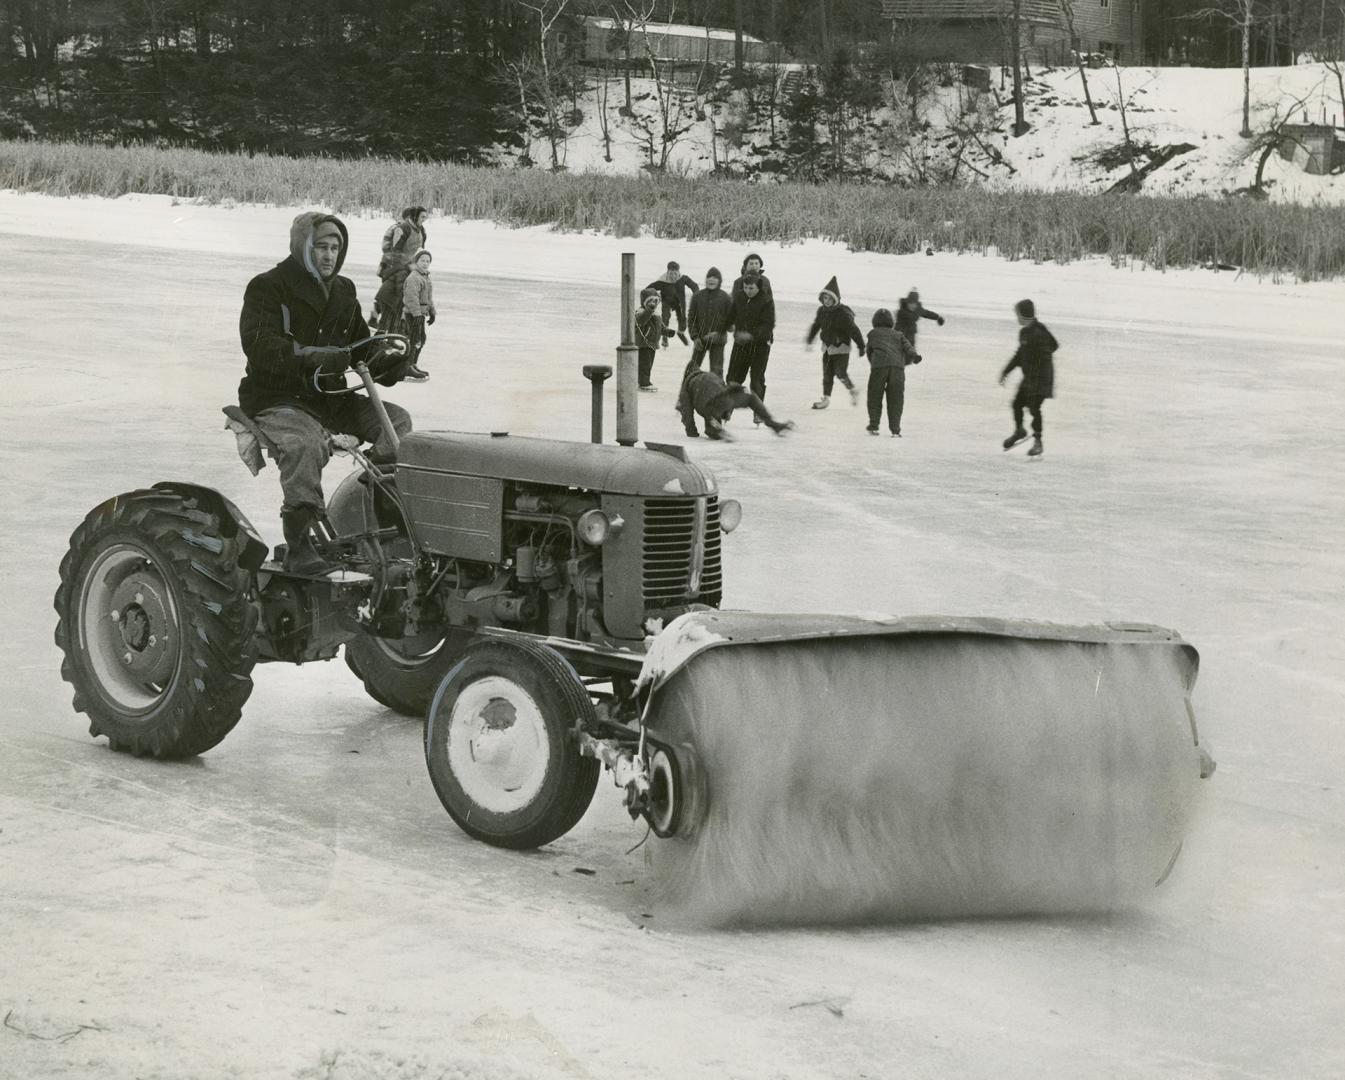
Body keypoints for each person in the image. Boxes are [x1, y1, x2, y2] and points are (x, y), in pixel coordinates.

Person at [239, 211, 413, 573]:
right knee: (305, 444)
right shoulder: (268, 287)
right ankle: (301, 545)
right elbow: (261, 348)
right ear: (303, 246)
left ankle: (376, 513)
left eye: (335, 248)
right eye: (321, 247)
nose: (329, 256)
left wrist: (389, 360)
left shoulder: (343, 291)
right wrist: (315, 356)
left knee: (396, 424)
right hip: (278, 399)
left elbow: (360, 345)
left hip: (331, 400)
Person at [999, 298, 1059, 457]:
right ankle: (1019, 430)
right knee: (1017, 404)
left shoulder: (1039, 333)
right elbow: (1019, 355)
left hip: (1041, 380)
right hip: (1030, 379)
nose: (1016, 317)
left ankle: (1038, 443)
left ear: (1024, 315)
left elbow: (1053, 346)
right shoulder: (1024, 333)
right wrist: (1006, 371)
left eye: (1017, 314)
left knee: (1034, 408)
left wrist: (1038, 364)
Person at [676, 360, 793, 441]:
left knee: (711, 421)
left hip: (710, 406)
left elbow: (686, 411)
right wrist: (727, 411)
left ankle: (715, 430)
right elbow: (724, 387)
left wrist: (691, 431)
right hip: (726, 397)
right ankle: (774, 424)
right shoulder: (710, 375)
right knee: (751, 398)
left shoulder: (687, 385)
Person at [804, 276, 865, 410]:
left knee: (840, 372)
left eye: (829, 298)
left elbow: (854, 330)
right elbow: (816, 325)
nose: (826, 301)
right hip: (827, 347)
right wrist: (810, 339)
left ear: (835, 299)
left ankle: (852, 390)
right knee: (827, 374)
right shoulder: (822, 311)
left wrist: (861, 346)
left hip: (841, 349)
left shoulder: (843, 313)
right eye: (825, 298)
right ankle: (826, 398)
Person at [727, 272, 775, 426]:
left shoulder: (766, 300)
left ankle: (758, 412)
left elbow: (768, 325)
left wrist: (750, 335)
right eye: (746, 287)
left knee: (756, 379)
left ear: (758, 287)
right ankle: (727, 408)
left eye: (751, 288)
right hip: (741, 344)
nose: (748, 290)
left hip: (760, 345)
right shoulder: (739, 297)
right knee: (733, 378)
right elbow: (731, 315)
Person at [864, 308, 921, 437]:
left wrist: (873, 363)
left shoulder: (873, 334)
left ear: (875, 321)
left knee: (874, 396)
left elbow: (869, 351)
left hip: (879, 368)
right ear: (891, 322)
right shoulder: (898, 334)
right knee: (896, 399)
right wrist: (914, 355)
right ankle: (895, 430)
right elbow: (908, 347)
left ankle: (874, 426)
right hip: (897, 369)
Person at [372, 206, 429, 330]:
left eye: (426, 217)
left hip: (407, 270)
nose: (425, 220)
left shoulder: (421, 230)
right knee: (391, 300)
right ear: (412, 217)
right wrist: (406, 265)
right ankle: (381, 329)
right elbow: (393, 252)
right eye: (422, 217)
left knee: (398, 303)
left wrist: (420, 265)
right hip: (394, 269)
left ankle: (391, 332)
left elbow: (420, 250)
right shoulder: (400, 229)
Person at [686, 267, 734, 378]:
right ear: (706, 280)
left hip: (718, 341)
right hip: (700, 340)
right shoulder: (697, 296)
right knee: (692, 370)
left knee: (717, 372)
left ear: (720, 281)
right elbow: (691, 318)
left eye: (715, 278)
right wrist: (695, 337)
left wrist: (721, 332)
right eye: (709, 277)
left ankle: (718, 394)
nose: (711, 280)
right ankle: (687, 391)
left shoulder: (725, 297)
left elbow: (730, 320)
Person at [399, 248, 435, 382]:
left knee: (421, 339)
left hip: (420, 314)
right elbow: (411, 298)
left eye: (428, 261)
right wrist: (417, 315)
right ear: (416, 262)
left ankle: (413, 364)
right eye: (422, 260)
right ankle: (407, 367)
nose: (425, 263)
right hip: (412, 315)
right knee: (414, 340)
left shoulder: (425, 277)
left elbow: (429, 298)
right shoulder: (414, 277)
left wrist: (432, 312)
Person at [644, 260, 699, 345]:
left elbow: (694, 286)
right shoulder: (662, 281)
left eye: (675, 274)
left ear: (678, 273)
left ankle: (680, 333)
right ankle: (665, 337)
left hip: (680, 302)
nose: (673, 276)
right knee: (665, 318)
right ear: (667, 272)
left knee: (683, 319)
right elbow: (649, 289)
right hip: (667, 302)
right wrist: (652, 298)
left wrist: (696, 297)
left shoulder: (683, 278)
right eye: (671, 274)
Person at [635, 287, 664, 392]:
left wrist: (666, 331)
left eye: (655, 301)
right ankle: (644, 382)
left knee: (649, 363)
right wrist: (649, 310)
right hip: (643, 343)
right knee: (645, 364)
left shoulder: (656, 314)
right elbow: (642, 321)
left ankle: (643, 380)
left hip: (652, 343)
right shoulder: (640, 312)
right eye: (650, 301)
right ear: (644, 302)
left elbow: (660, 326)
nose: (653, 303)